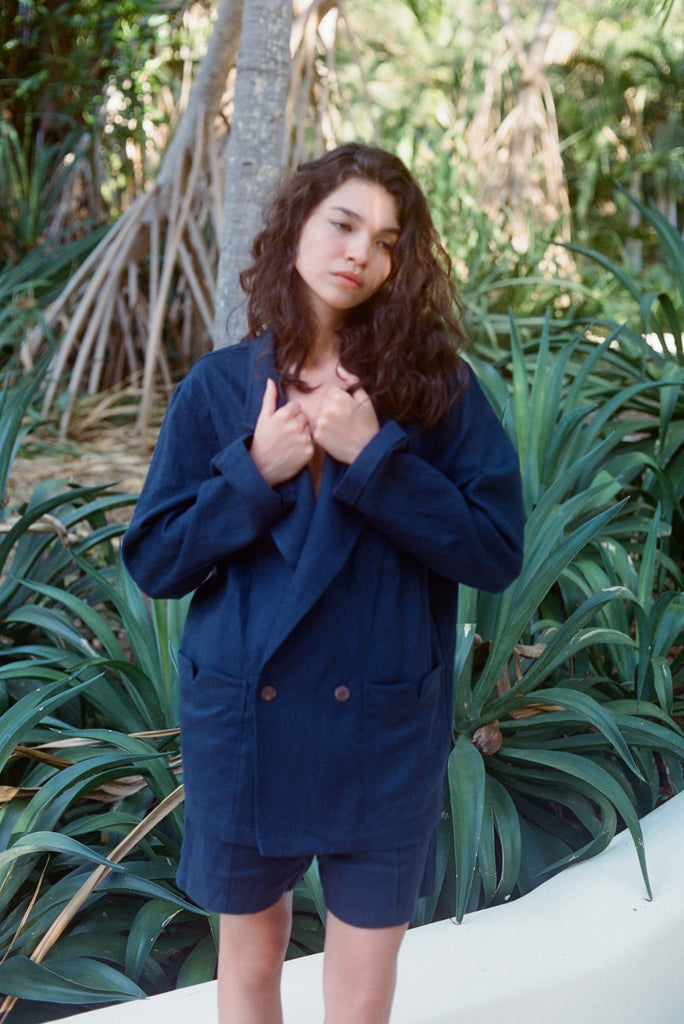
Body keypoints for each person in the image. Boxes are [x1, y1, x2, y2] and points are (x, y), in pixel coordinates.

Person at [121, 142, 524, 1024]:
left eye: (385, 241)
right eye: (343, 223)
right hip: (244, 724)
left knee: (362, 996)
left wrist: (376, 457)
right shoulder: (220, 390)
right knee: (252, 966)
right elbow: (154, 561)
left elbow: (494, 550)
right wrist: (250, 474)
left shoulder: (435, 394)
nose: (360, 253)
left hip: (381, 729)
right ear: (297, 226)